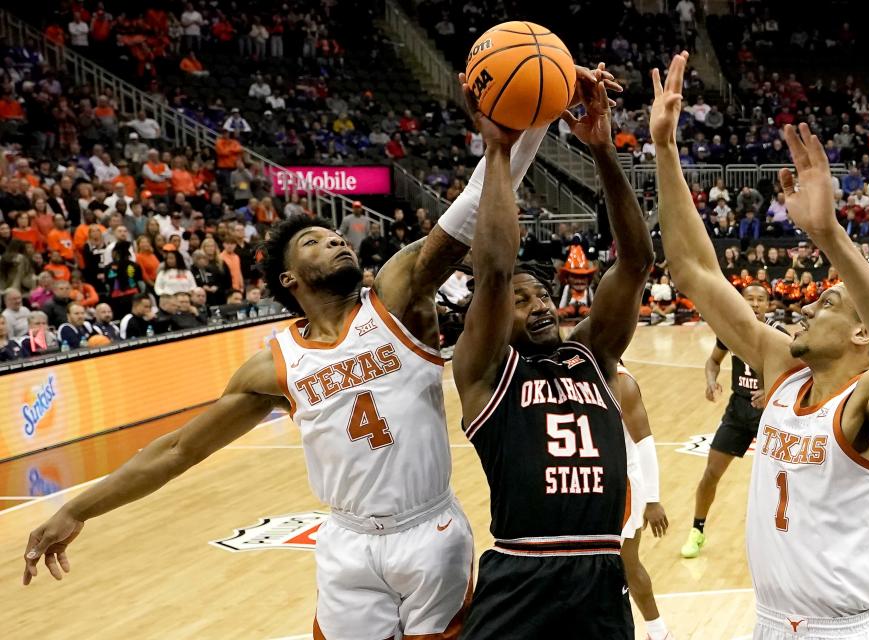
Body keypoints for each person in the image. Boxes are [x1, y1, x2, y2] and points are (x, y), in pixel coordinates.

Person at [20, 65, 591, 639]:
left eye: (336, 235)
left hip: (430, 532)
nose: (336, 239)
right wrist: (78, 508)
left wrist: (540, 111)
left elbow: (472, 207)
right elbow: (176, 450)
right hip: (346, 541)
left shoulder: (395, 298)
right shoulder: (274, 366)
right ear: (290, 279)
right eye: (314, 241)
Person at [655, 53, 869, 639]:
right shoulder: (784, 374)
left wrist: (830, 234)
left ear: (862, 335)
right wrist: (666, 152)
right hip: (770, 625)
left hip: (845, 632)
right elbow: (695, 271)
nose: (806, 307)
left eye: (826, 305)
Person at [455, 65, 651, 639]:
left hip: (599, 570)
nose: (539, 306)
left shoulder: (591, 354)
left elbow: (636, 262)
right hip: (522, 569)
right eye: (522, 300)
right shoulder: (487, 371)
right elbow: (491, 270)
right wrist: (496, 150)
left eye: (542, 294)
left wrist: (602, 149)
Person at [681, 283, 788, 558]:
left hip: (770, 414)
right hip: (738, 410)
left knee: (779, 481)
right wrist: (710, 381)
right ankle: (697, 530)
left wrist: (772, 390)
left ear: (768, 305)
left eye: (760, 300)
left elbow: (797, 371)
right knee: (711, 473)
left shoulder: (778, 333)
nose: (754, 304)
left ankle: (785, 537)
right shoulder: (730, 330)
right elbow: (713, 361)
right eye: (749, 299)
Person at [617, 364, 671, 640]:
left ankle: (658, 632)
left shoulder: (621, 381)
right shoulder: (586, 373)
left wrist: (652, 500)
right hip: (599, 483)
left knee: (626, 562)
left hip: (623, 485)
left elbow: (645, 443)